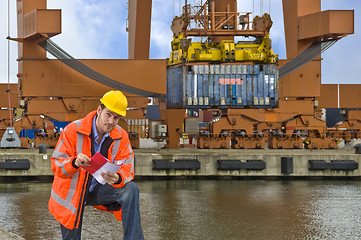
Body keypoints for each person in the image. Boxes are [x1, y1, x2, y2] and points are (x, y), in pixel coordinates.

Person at [48, 90, 144, 240]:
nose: (111, 121)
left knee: (131, 189)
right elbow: (56, 165)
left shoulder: (121, 136)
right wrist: (74, 162)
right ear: (99, 110)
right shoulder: (73, 130)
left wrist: (117, 178)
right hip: (72, 192)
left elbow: (128, 168)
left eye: (116, 118)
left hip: (98, 189)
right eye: (108, 114)